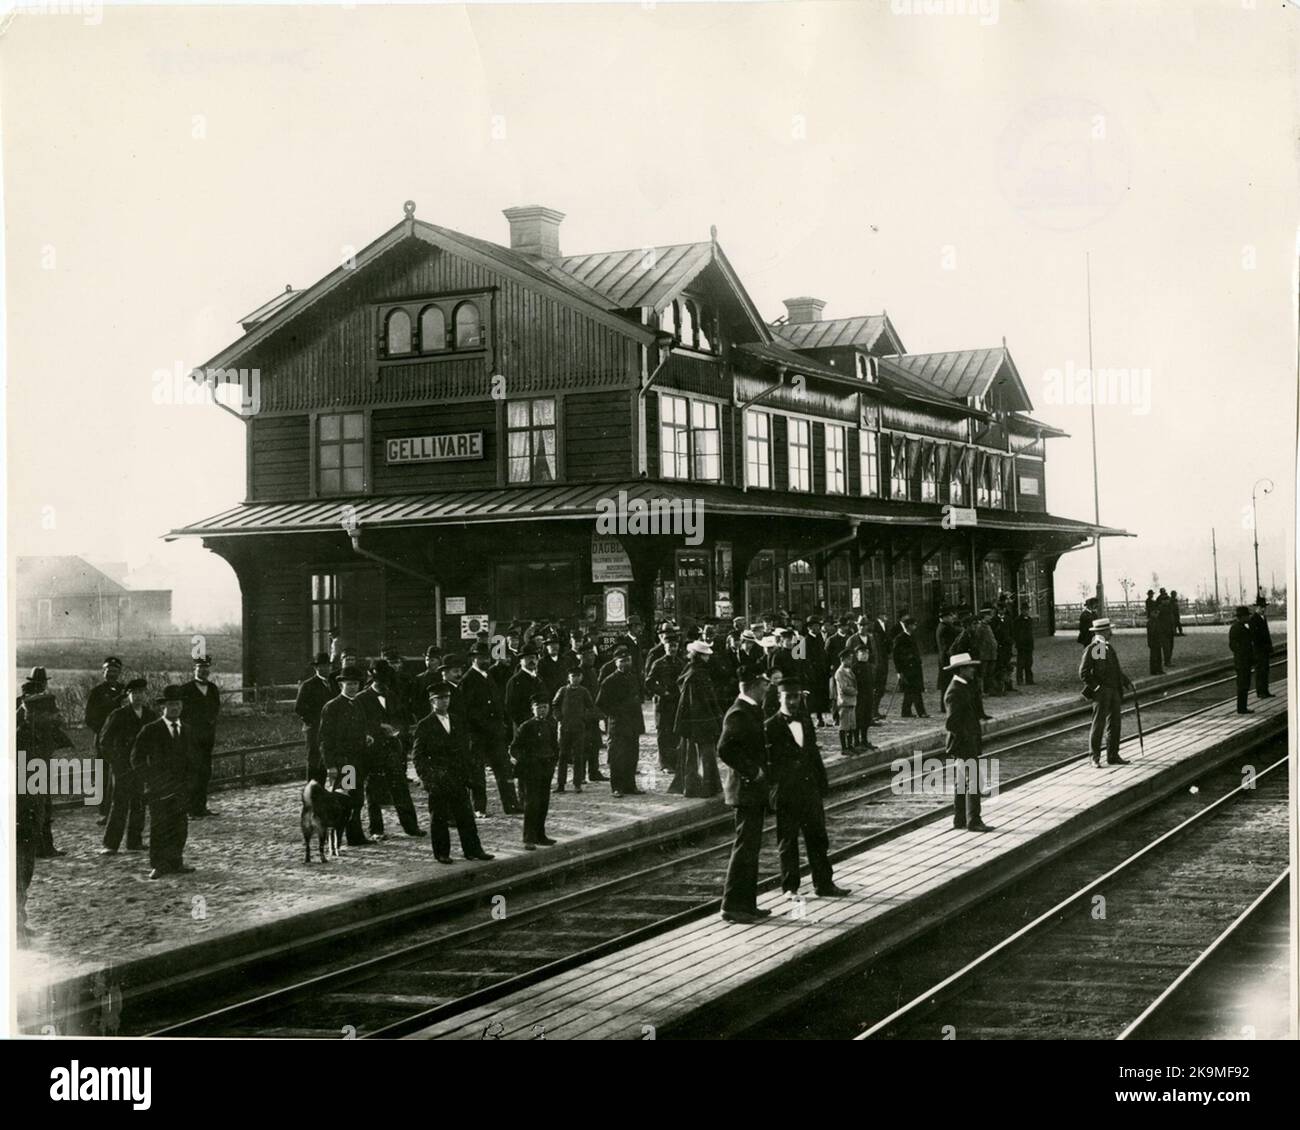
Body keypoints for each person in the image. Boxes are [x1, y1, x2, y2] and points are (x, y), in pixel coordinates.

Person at [764, 675, 850, 899]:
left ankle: (824, 883)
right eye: (788, 697)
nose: (792, 702)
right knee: (788, 841)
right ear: (779, 698)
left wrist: (822, 784)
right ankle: (790, 888)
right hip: (787, 794)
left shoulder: (805, 721)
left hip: (809, 790)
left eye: (796, 697)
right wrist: (775, 790)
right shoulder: (770, 726)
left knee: (818, 838)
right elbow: (767, 764)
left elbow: (813, 754)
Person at [411, 682, 494, 864]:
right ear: (432, 701)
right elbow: (418, 756)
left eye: (447, 697)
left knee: (466, 816)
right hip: (438, 779)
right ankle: (442, 853)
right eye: (440, 698)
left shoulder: (457, 720)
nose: (444, 701)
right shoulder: (425, 725)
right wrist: (428, 778)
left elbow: (465, 749)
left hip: (457, 776)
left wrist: (468, 773)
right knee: (439, 818)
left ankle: (473, 850)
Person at [716, 664, 773, 924]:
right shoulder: (738, 713)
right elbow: (725, 749)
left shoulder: (750, 710)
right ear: (752, 685)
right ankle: (732, 906)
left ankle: (747, 904)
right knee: (744, 848)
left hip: (753, 791)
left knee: (751, 847)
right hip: (745, 790)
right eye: (764, 684)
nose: (767, 688)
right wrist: (752, 772)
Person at [130, 685, 196, 879]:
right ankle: (159, 865)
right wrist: (150, 779)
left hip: (181, 787)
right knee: (160, 827)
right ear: (163, 708)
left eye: (178, 704)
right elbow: (136, 758)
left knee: (180, 826)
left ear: (182, 706)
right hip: (158, 789)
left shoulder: (188, 730)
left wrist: (191, 782)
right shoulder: (151, 730)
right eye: (170, 705)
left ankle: (176, 862)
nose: (175, 708)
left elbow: (194, 759)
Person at [357, 660, 424, 838]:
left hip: (393, 750)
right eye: (378, 680)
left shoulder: (393, 696)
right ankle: (376, 830)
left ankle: (411, 827)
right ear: (372, 679)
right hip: (372, 752)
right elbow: (358, 724)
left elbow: (403, 719)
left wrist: (399, 732)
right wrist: (379, 727)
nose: (382, 684)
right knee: (373, 790)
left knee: (400, 787)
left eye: (385, 680)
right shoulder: (361, 699)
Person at [461, 644, 522, 817]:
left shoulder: (488, 677)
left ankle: (511, 804)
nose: (485, 660)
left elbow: (498, 703)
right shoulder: (468, 680)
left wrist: (502, 723)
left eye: (487, 657)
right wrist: (485, 725)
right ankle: (479, 808)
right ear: (473, 659)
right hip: (478, 734)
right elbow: (467, 711)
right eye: (481, 658)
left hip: (495, 734)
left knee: (504, 769)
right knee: (477, 773)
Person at [318, 665, 376, 846]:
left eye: (356, 684)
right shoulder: (333, 707)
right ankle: (335, 839)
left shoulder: (357, 703)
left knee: (357, 800)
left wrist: (366, 737)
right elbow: (325, 739)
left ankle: (355, 836)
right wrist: (330, 766)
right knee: (344, 800)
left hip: (358, 762)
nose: (352, 687)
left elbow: (361, 726)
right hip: (345, 764)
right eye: (349, 684)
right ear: (341, 684)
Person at [98, 677, 155, 855]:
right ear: (128, 695)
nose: (138, 697)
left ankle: (134, 842)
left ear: (146, 695)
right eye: (134, 693)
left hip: (140, 767)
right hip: (122, 767)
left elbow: (156, 741)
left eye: (141, 693)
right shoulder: (118, 715)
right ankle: (110, 844)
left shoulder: (150, 715)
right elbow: (104, 741)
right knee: (119, 805)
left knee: (139, 803)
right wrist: (115, 762)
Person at [18, 677, 73, 858]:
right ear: (36, 715)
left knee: (42, 814)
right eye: (48, 714)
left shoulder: (45, 731)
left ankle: (42, 848)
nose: (53, 717)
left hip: (40, 779)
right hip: (26, 783)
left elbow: (60, 737)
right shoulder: (21, 735)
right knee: (28, 819)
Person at [1078, 617, 1135, 767]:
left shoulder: (1105, 647)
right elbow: (1088, 673)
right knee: (1099, 724)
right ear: (1102, 631)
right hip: (1103, 692)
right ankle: (1095, 757)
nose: (1111, 632)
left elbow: (1112, 670)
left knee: (1115, 724)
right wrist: (1097, 688)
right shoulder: (1098, 648)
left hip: (1113, 690)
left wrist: (1126, 681)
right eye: (1109, 630)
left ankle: (1113, 755)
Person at [943, 653, 991, 832]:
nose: (973, 670)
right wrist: (967, 738)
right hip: (963, 744)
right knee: (974, 781)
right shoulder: (955, 691)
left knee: (962, 781)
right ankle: (974, 820)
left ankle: (960, 819)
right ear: (961, 669)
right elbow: (952, 723)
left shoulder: (964, 687)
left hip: (966, 742)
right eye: (970, 667)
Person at [673, 640, 724, 797]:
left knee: (692, 754)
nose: (708, 658)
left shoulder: (690, 669)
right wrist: (715, 718)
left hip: (692, 720)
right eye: (706, 655)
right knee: (705, 754)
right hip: (701, 720)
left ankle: (694, 786)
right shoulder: (698, 673)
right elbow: (703, 700)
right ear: (700, 656)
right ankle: (705, 787)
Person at [510, 692, 560, 850]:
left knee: (543, 803)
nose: (542, 710)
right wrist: (526, 762)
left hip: (546, 768)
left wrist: (553, 762)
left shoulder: (550, 725)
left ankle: (540, 835)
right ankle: (529, 838)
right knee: (531, 804)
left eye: (545, 707)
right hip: (531, 770)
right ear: (532, 709)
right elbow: (514, 748)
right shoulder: (526, 726)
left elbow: (555, 746)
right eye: (538, 707)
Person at [595, 648, 644, 797]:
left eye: (628, 660)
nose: (625, 663)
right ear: (616, 663)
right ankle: (617, 787)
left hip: (633, 722)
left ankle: (630, 785)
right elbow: (600, 703)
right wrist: (616, 712)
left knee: (632, 754)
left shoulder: (633, 677)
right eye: (622, 661)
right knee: (617, 756)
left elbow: (639, 697)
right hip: (618, 724)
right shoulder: (609, 681)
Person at [84, 657, 125, 824]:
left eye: (115, 671)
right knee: (103, 774)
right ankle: (104, 812)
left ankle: (121, 809)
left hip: (122, 740)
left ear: (119, 673)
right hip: (104, 740)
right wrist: (102, 732)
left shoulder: (125, 691)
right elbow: (89, 717)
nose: (112, 674)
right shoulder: (97, 692)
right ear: (103, 672)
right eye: (109, 671)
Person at [179, 656, 221, 818]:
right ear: (194, 669)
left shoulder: (212, 688)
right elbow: (181, 713)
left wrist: (210, 724)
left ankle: (201, 806)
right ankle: (190, 808)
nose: (203, 670)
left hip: (207, 738)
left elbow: (215, 709)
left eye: (206, 668)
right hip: (191, 738)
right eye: (200, 667)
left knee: (205, 772)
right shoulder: (186, 689)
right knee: (192, 772)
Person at [644, 632, 685, 772]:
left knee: (675, 732)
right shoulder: (659, 663)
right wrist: (662, 691)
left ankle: (674, 762)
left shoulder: (681, 663)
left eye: (674, 646)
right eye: (669, 646)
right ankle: (664, 764)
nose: (672, 649)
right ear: (665, 647)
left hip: (676, 702)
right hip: (663, 703)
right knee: (663, 733)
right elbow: (649, 682)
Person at [552, 667, 595, 792]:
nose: (575, 679)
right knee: (563, 756)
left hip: (579, 728)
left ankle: (577, 783)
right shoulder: (563, 690)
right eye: (572, 676)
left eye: (577, 676)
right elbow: (555, 705)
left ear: (581, 678)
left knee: (578, 756)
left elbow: (590, 707)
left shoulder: (584, 691)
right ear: (568, 678)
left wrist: (584, 718)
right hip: (565, 728)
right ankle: (561, 784)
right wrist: (559, 717)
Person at [294, 652, 334, 783]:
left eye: (328, 666)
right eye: (322, 666)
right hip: (315, 730)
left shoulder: (335, 684)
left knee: (343, 760)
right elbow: (299, 708)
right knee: (316, 762)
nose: (326, 669)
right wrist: (315, 722)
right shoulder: (308, 685)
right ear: (316, 668)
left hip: (334, 729)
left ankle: (345, 794)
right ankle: (313, 795)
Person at [892, 614, 927, 718]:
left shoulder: (912, 636)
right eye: (913, 625)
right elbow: (896, 656)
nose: (915, 627)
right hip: (906, 668)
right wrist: (899, 671)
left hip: (915, 668)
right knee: (912, 690)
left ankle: (907, 712)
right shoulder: (900, 638)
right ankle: (919, 712)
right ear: (908, 626)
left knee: (912, 690)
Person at [831, 650, 859, 756]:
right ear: (842, 659)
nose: (850, 661)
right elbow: (844, 688)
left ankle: (850, 745)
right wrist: (855, 691)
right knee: (844, 726)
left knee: (851, 725)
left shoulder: (849, 670)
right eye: (848, 659)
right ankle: (844, 747)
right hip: (845, 702)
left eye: (851, 658)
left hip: (851, 701)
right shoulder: (840, 672)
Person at [1228, 606, 1254, 714]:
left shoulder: (1240, 626)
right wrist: (1243, 653)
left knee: (1245, 683)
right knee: (1243, 684)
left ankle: (1243, 707)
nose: (1248, 617)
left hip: (1243, 660)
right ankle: (1241, 708)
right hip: (1242, 661)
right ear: (1242, 617)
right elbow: (1233, 645)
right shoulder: (1237, 628)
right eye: (1247, 615)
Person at [1248, 597, 1274, 699]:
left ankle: (1265, 690)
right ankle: (1260, 692)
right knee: (1260, 671)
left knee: (1265, 670)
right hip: (1258, 650)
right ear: (1256, 608)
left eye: (1264, 607)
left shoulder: (1264, 618)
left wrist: (1269, 646)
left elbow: (1267, 634)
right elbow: (1255, 637)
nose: (1263, 609)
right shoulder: (1253, 619)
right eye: (1261, 607)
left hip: (1265, 649)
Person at [935, 608, 959, 711]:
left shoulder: (942, 626)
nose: (952, 618)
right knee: (947, 683)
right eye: (949, 616)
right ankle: (945, 706)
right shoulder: (945, 628)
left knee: (946, 683)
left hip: (944, 658)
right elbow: (948, 645)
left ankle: (945, 705)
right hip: (947, 659)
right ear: (944, 618)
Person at [1012, 606, 1036, 686]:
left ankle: (1029, 679)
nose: (1026, 611)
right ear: (1021, 610)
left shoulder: (1029, 619)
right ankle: (1020, 680)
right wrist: (1018, 642)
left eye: (1027, 610)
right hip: (1021, 645)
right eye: (1024, 610)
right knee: (1021, 663)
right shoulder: (1017, 621)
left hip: (1029, 644)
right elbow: (1015, 633)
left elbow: (1030, 632)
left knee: (1029, 663)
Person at [1144, 598, 1164, 676]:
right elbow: (1152, 633)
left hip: (1157, 641)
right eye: (1155, 612)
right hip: (1154, 641)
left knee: (1158, 656)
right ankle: (1154, 670)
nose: (1157, 614)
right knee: (1154, 657)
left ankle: (1158, 669)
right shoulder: (1151, 622)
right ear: (1152, 613)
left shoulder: (1156, 621)